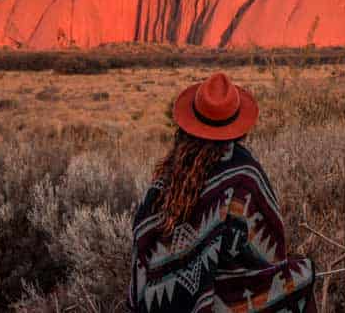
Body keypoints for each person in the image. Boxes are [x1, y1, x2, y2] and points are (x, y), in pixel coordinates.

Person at [129, 72, 317, 312]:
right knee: (300, 275)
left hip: (159, 300)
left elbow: (142, 244)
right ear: (238, 127)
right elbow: (270, 257)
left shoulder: (168, 174)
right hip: (221, 302)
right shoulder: (244, 175)